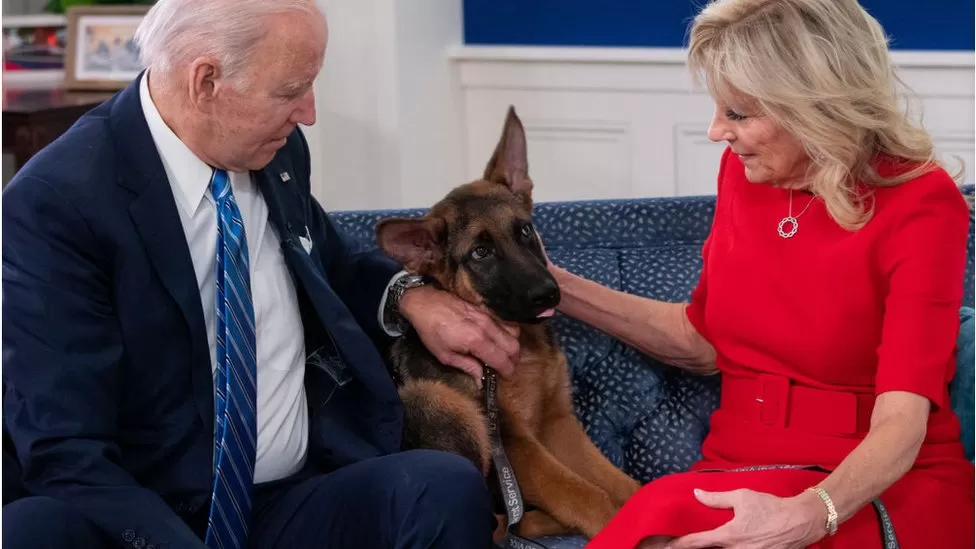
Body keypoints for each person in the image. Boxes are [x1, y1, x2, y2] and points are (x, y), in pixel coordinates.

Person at [1, 1, 521, 548]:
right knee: (32, 532)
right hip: (145, 514)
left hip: (285, 500)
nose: (309, 113)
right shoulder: (55, 205)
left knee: (439, 489)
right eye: (290, 90)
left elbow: (330, 263)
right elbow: (65, 451)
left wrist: (410, 297)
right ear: (207, 82)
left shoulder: (274, 150)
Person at [538, 1, 975, 548]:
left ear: (816, 106)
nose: (716, 131)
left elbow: (902, 421)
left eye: (739, 114)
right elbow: (701, 340)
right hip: (737, 468)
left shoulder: (921, 201)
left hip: (872, 485)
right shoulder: (744, 174)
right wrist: (550, 285)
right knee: (664, 522)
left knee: (670, 524)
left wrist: (811, 514)